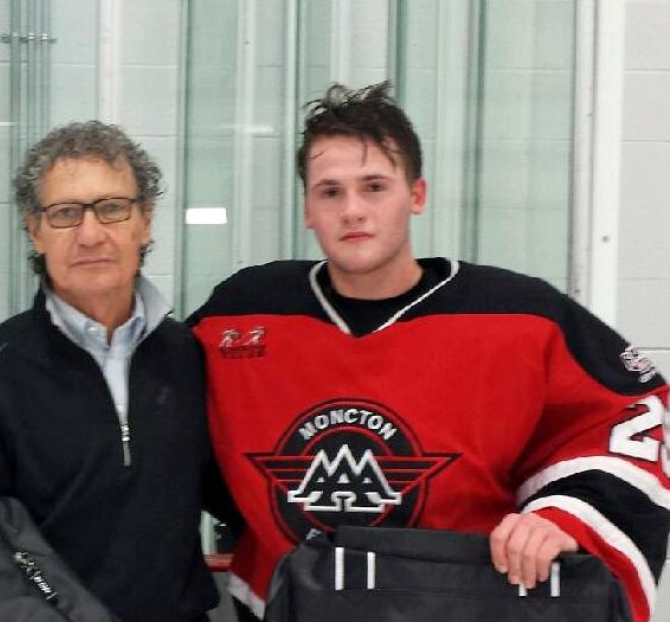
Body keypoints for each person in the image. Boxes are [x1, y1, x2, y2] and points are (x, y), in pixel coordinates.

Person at [187, 81, 670, 622]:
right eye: (330, 192)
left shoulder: (518, 317)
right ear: (307, 209)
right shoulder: (243, 315)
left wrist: (563, 515)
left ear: (416, 195)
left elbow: (631, 414)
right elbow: (158, 412)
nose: (352, 211)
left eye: (374, 187)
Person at [0, 120, 231, 622]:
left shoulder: (190, 357)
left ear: (145, 221)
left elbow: (233, 495)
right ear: (34, 231)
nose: (91, 234)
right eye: (66, 213)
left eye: (113, 209)